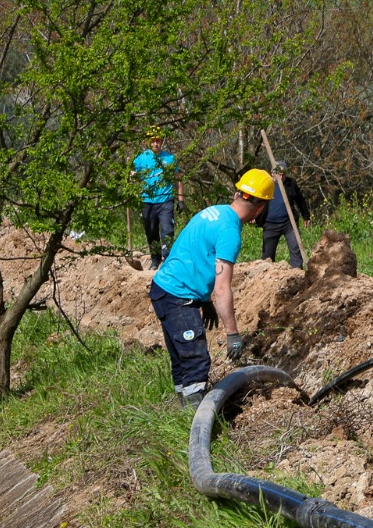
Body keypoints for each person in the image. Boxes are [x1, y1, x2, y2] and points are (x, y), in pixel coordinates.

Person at [148, 170, 274, 407]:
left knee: (182, 359)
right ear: (260, 208)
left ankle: (182, 412)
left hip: (163, 289)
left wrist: (204, 301)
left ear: (237, 194)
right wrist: (232, 333)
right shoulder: (230, 232)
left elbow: (193, 252)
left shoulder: (213, 211)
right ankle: (196, 416)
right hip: (177, 296)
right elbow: (222, 288)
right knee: (195, 360)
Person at [131, 129, 183, 268]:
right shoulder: (141, 158)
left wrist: (181, 199)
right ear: (148, 142)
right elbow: (133, 176)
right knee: (151, 231)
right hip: (147, 201)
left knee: (167, 230)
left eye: (158, 141)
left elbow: (178, 179)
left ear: (161, 142)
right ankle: (155, 260)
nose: (155, 144)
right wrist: (133, 176)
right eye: (153, 141)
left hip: (166, 200)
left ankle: (167, 259)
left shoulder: (169, 158)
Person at [257, 169, 311, 269]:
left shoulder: (291, 183)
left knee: (295, 247)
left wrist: (306, 215)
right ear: (273, 174)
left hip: (289, 223)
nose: (281, 177)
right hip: (270, 224)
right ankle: (268, 273)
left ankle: (297, 271)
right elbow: (256, 199)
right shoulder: (266, 183)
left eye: (283, 175)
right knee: (268, 254)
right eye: (279, 175)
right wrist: (253, 215)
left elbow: (300, 200)